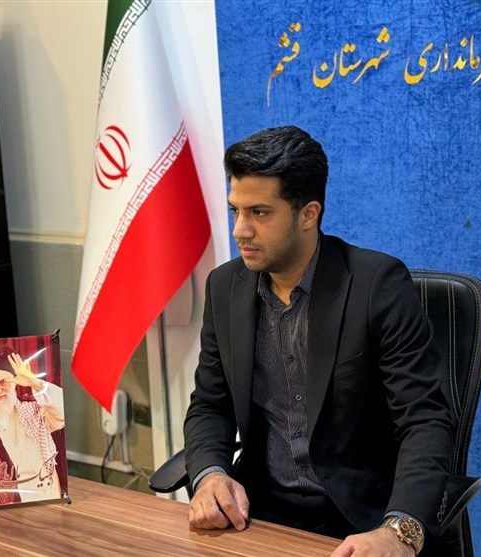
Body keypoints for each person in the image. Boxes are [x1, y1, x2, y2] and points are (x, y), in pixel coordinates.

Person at [183, 126, 456, 556]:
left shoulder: (377, 286)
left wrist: (400, 530)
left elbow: (424, 420)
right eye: (236, 210)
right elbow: (210, 405)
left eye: (259, 212)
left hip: (362, 520)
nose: (240, 231)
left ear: (308, 214)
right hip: (256, 515)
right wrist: (210, 474)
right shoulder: (224, 287)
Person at [0, 344, 64, 508]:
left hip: (47, 496)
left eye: (3, 382)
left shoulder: (34, 410)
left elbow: (62, 413)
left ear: (15, 382)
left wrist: (35, 383)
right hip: (4, 507)